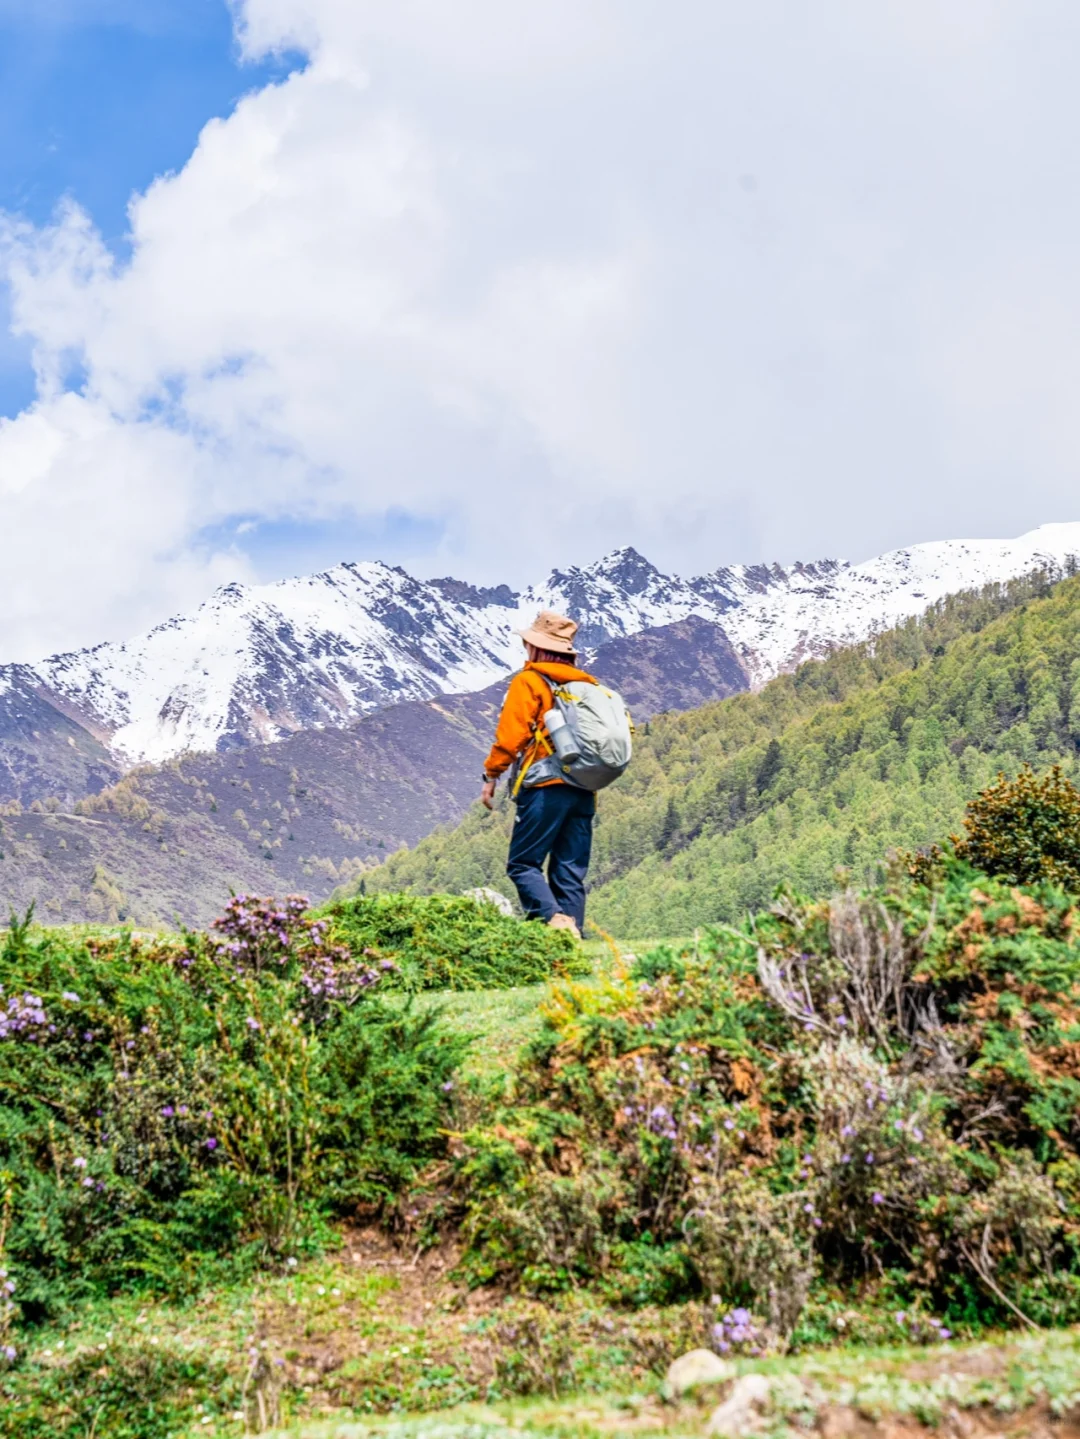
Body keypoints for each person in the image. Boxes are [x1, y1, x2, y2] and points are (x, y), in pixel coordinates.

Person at [480, 610, 598, 938]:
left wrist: (491, 776)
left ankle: (555, 923)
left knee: (523, 864)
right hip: (585, 787)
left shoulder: (530, 681)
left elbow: (510, 737)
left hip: (546, 785)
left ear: (536, 648)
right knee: (569, 872)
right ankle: (573, 942)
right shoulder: (586, 685)